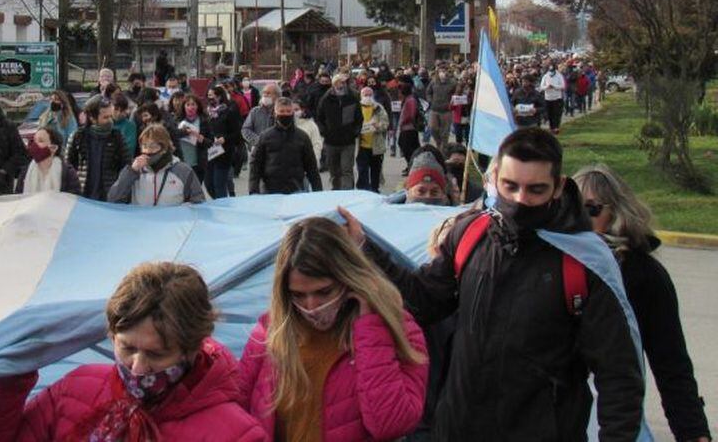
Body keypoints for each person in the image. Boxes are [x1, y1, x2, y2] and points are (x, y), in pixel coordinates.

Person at [355, 127, 646, 441]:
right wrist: (363, 245)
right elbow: (423, 301)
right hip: (456, 430)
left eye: (536, 190)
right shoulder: (471, 235)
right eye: (511, 186)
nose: (521, 200)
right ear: (494, 181)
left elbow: (619, 377)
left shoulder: (584, 262)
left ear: (559, 187)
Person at [0, 262, 265, 441]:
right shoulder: (74, 390)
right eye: (127, 348)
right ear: (111, 334)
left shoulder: (238, 434)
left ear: (191, 348)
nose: (137, 368)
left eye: (157, 355)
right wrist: (8, 380)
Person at [238, 216, 428, 441]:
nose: (311, 306)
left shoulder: (398, 329)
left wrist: (371, 329)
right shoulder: (271, 331)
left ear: (348, 279)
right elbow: (237, 407)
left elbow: (392, 424)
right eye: (298, 295)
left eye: (323, 292)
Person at [574, 164, 712, 442]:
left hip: (617, 424)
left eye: (591, 209)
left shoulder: (643, 275)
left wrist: (694, 432)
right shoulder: (551, 263)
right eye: (573, 208)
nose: (581, 219)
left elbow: (671, 363)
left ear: (615, 212)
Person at [108, 123, 205, 205]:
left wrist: (187, 208)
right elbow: (113, 199)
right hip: (141, 224)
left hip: (172, 225)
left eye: (153, 146)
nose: (147, 151)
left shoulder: (182, 170)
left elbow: (199, 201)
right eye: (144, 146)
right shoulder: (134, 170)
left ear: (164, 149)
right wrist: (131, 172)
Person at [248, 97, 322, 194]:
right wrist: (253, 190)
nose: (285, 114)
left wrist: (319, 192)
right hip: (269, 191)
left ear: (292, 113)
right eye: (281, 111)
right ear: (275, 113)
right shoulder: (265, 137)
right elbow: (255, 165)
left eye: (288, 111)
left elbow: (311, 167)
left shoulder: (302, 137)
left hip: (296, 189)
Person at [65, 94, 130, 201]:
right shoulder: (78, 136)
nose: (110, 120)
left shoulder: (117, 137)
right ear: (92, 118)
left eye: (110, 116)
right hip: (83, 198)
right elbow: (68, 166)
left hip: (109, 198)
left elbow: (126, 166)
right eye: (105, 117)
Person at [315, 73, 362, 191]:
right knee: (334, 171)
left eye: (342, 82)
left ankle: (347, 193)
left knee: (347, 169)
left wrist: (354, 132)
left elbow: (359, 118)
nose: (340, 85)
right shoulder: (326, 99)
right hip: (331, 141)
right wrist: (324, 132)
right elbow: (319, 117)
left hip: (348, 141)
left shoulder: (352, 97)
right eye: (337, 82)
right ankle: (335, 191)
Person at [203, 85, 242, 199]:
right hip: (210, 151)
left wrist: (225, 139)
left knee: (219, 184)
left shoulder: (229, 110)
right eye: (208, 95)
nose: (209, 98)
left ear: (219, 96)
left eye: (211, 95)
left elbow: (237, 132)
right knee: (208, 183)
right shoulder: (207, 112)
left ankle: (223, 208)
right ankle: (218, 204)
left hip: (224, 152)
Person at [20, 126, 81, 194]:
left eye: (40, 141)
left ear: (53, 148)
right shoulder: (26, 172)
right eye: (34, 140)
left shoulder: (68, 173)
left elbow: (75, 199)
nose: (34, 144)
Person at [357, 85, 389, 192]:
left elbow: (385, 123)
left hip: (376, 145)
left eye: (370, 95)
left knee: (376, 170)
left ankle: (375, 189)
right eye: (365, 95)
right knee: (362, 170)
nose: (368, 97)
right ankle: (363, 190)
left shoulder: (379, 108)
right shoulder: (357, 107)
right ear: (361, 96)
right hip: (361, 145)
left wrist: (378, 126)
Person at [175, 95, 212, 182]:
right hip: (181, 161)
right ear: (184, 107)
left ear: (198, 106)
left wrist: (201, 139)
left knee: (196, 190)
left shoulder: (204, 121)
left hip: (198, 163)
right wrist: (185, 132)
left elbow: (210, 142)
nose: (191, 107)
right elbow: (172, 135)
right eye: (188, 105)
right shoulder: (177, 120)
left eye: (193, 104)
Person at [293, 99, 323, 186]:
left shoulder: (311, 125)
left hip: (308, 166)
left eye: (297, 109)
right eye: (293, 110)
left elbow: (317, 144)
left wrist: (314, 161)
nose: (295, 112)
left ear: (303, 110)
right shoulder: (289, 126)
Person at [425, 65, 455, 152]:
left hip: (446, 111)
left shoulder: (452, 82)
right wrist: (430, 100)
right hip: (434, 109)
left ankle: (443, 151)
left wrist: (452, 101)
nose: (443, 73)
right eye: (441, 71)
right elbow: (428, 92)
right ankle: (438, 143)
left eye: (445, 71)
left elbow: (457, 93)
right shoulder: (434, 82)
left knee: (445, 132)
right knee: (432, 128)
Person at [241, 83, 278, 151]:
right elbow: (245, 130)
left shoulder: (282, 112)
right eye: (264, 93)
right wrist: (259, 141)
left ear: (277, 96)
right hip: (257, 150)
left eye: (268, 93)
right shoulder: (255, 111)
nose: (265, 95)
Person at [397, 79, 421, 170]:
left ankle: (412, 165)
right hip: (406, 128)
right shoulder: (407, 99)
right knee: (406, 146)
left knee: (407, 148)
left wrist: (404, 121)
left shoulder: (410, 100)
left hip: (409, 128)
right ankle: (411, 164)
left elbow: (411, 114)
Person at [539, 64, 566, 133]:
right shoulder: (545, 76)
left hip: (557, 97)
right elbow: (541, 87)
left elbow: (562, 86)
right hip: (548, 97)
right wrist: (547, 87)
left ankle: (556, 127)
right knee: (550, 113)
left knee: (556, 113)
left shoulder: (559, 76)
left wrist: (555, 86)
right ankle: (551, 127)